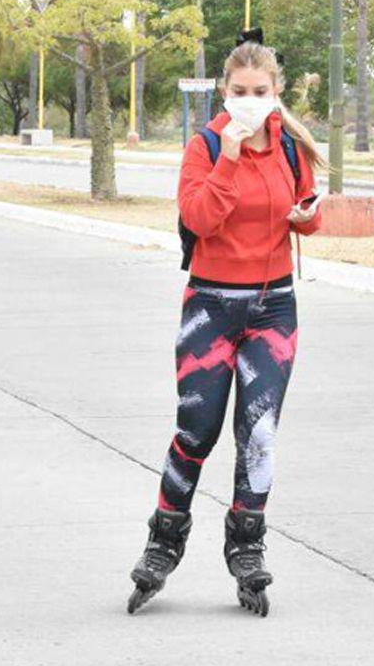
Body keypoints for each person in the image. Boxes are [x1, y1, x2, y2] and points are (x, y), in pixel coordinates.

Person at [126, 38, 324, 617]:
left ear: (276, 92)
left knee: (258, 433)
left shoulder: (291, 148)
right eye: (239, 93)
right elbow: (200, 218)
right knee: (197, 428)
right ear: (224, 92)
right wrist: (231, 158)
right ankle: (164, 539)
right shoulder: (205, 147)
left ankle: (247, 546)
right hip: (211, 307)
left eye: (260, 93)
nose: (250, 102)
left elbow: (307, 211)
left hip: (273, 307)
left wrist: (307, 217)